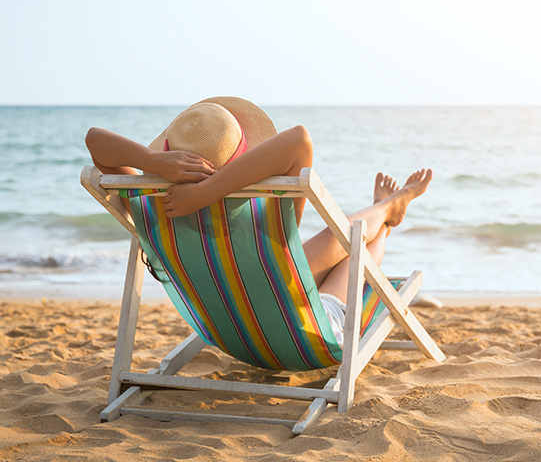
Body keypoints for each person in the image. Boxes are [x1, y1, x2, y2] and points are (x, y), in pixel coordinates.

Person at [85, 96, 432, 345]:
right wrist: (210, 192)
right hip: (300, 329)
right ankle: (388, 211)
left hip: (230, 328)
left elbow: (95, 141)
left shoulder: (151, 210)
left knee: (339, 239)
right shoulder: (260, 220)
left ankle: (387, 207)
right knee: (356, 242)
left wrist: (154, 163)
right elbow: (299, 139)